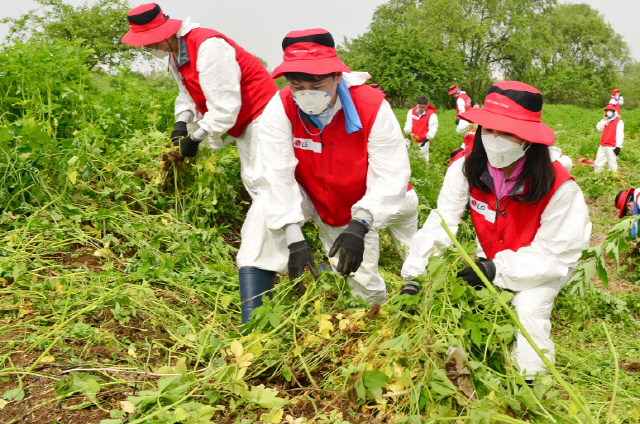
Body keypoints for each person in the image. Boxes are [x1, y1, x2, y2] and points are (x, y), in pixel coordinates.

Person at [401, 81, 591, 379]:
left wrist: (494, 270)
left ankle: (531, 382)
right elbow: (442, 222)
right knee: (467, 301)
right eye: (488, 130)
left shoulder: (558, 186)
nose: (494, 139)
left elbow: (555, 253)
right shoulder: (465, 169)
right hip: (492, 254)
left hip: (544, 263)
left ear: (528, 139)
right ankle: (467, 366)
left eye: (506, 132)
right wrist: (415, 273)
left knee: (528, 309)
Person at [121, 3, 281, 325]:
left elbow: (225, 106)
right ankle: (288, 258)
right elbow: (188, 96)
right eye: (147, 42)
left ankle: (260, 273)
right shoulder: (175, 55)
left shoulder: (208, 47)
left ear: (166, 32)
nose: (151, 47)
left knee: (265, 186)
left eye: (153, 40)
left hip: (263, 118)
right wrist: (182, 123)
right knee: (257, 186)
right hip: (244, 123)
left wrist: (197, 139)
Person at [250, 29, 410, 320]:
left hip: (368, 200)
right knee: (261, 214)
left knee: (368, 282)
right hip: (320, 198)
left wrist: (360, 225)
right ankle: (253, 318)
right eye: (297, 86)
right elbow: (275, 173)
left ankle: (386, 318)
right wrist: (294, 238)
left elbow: (390, 175)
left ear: (338, 76)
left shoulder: (371, 107)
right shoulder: (282, 105)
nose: (306, 94)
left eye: (317, 83)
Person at [404, 96, 438, 163]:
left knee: (423, 159)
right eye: (419, 106)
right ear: (417, 104)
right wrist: (408, 132)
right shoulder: (411, 111)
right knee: (410, 158)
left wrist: (428, 137)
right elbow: (408, 123)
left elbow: (433, 128)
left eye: (423, 107)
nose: (421, 109)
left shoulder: (431, 115)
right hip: (412, 139)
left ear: (427, 105)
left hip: (423, 141)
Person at [594, 104, 624, 173]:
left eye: (610, 110)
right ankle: (597, 175)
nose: (609, 112)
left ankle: (613, 176)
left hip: (612, 145)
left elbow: (619, 134)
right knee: (598, 162)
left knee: (612, 163)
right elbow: (599, 129)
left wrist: (618, 146)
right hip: (603, 144)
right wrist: (604, 120)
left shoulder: (618, 121)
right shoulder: (605, 121)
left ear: (614, 111)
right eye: (607, 110)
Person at [449, 100, 481, 165]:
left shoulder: (481, 119)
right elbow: (461, 130)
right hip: (468, 145)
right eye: (475, 109)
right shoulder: (466, 120)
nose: (476, 111)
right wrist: (467, 120)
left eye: (478, 109)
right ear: (471, 108)